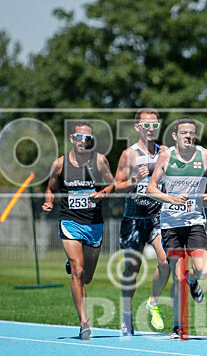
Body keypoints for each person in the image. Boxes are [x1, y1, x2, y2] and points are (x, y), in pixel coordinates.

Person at [147, 117, 207, 340]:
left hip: (194, 222)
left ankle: (194, 280)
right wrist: (170, 199)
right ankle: (178, 326)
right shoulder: (166, 156)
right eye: (184, 133)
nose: (188, 136)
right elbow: (151, 188)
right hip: (170, 223)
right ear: (175, 136)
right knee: (178, 276)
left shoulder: (205, 155)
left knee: (204, 269)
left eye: (192, 133)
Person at [42, 121, 114, 340]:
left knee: (88, 277)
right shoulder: (60, 164)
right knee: (78, 270)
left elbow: (113, 184)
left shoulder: (99, 161)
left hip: (93, 223)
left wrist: (103, 193)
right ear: (72, 139)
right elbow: (50, 187)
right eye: (80, 138)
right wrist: (49, 202)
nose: (84, 142)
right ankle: (84, 322)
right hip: (70, 221)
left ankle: (75, 264)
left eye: (88, 138)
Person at [112, 108, 170, 336]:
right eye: (146, 125)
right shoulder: (129, 154)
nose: (151, 129)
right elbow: (116, 186)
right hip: (134, 219)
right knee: (131, 269)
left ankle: (152, 302)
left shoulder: (166, 152)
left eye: (155, 125)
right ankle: (126, 315)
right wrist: (134, 179)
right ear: (137, 127)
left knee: (166, 262)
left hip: (159, 216)